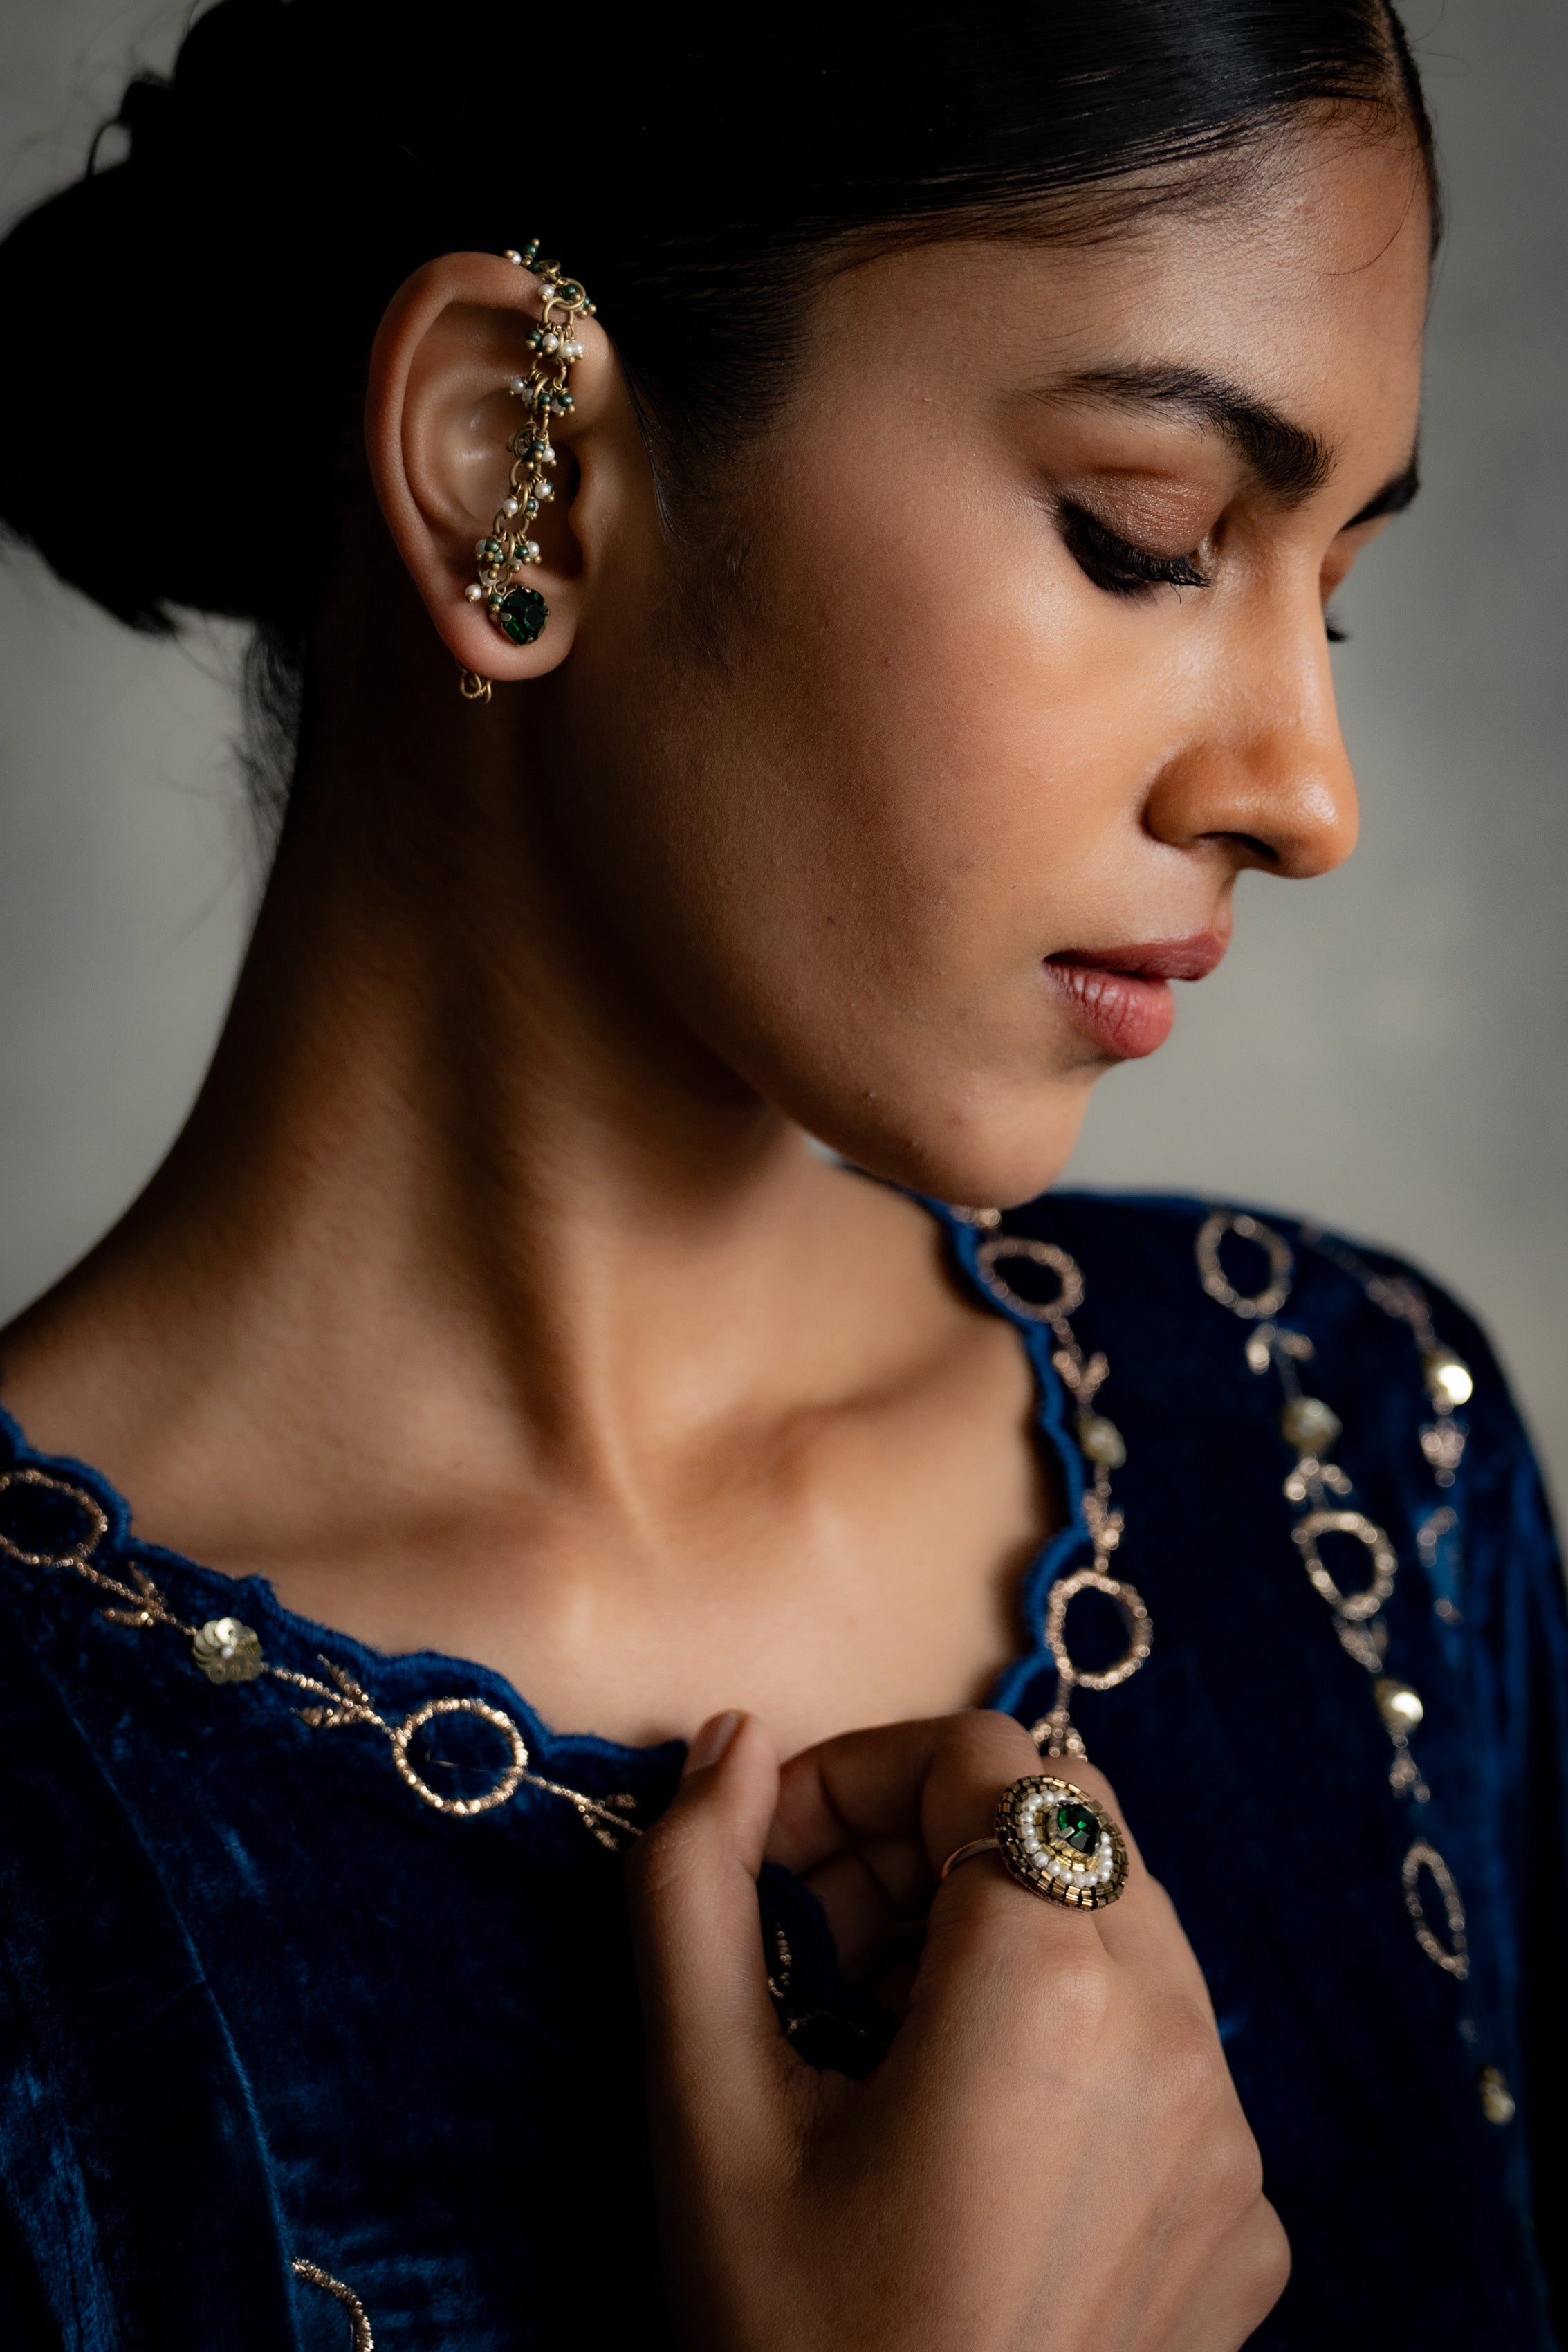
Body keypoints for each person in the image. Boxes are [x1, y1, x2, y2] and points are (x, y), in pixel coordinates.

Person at [0, 2, 1561, 2344]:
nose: (1303, 793)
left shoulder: (1349, 1450)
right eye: (1145, 541)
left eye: (1322, 587)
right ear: (513, 470)